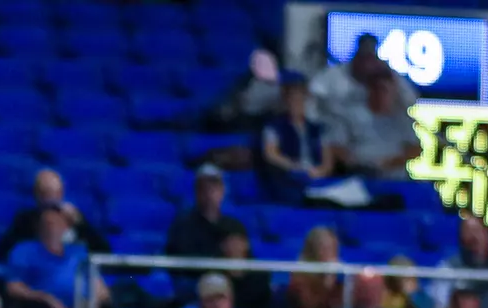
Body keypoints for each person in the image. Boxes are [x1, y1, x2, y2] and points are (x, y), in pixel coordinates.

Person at [6, 204, 108, 308]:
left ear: (66, 227)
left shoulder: (79, 252)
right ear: (38, 227)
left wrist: (89, 306)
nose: (52, 228)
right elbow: (13, 287)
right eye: (47, 224)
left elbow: (100, 287)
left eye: (57, 223)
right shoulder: (24, 251)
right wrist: (47, 300)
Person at [0, 169, 110, 260]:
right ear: (37, 194)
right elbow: (5, 251)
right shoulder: (25, 220)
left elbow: (104, 252)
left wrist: (81, 225)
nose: (52, 198)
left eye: (57, 192)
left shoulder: (74, 219)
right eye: (46, 192)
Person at [330, 73, 420, 179]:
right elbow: (335, 146)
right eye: (376, 89)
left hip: (393, 180)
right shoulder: (351, 116)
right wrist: (355, 162)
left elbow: (415, 150)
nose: (380, 94)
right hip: (356, 177)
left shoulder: (402, 120)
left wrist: (390, 163)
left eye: (384, 90)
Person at [261, 72, 330, 202]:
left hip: (317, 177)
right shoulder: (274, 127)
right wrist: (295, 167)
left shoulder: (316, 128)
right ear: (286, 101)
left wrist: (320, 171)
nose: (297, 103)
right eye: (293, 100)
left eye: (301, 99)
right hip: (290, 179)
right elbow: (271, 154)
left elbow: (327, 159)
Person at [165, 165, 245, 259]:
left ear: (222, 191)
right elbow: (183, 259)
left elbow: (250, 262)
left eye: (214, 188)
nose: (209, 194)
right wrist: (222, 252)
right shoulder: (183, 227)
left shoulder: (234, 227)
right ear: (197, 192)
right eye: (204, 188)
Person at [285, 227, 343, 308]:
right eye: (325, 248)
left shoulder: (340, 273)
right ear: (313, 250)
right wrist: (327, 281)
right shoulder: (300, 273)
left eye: (333, 248)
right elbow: (309, 305)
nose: (330, 253)